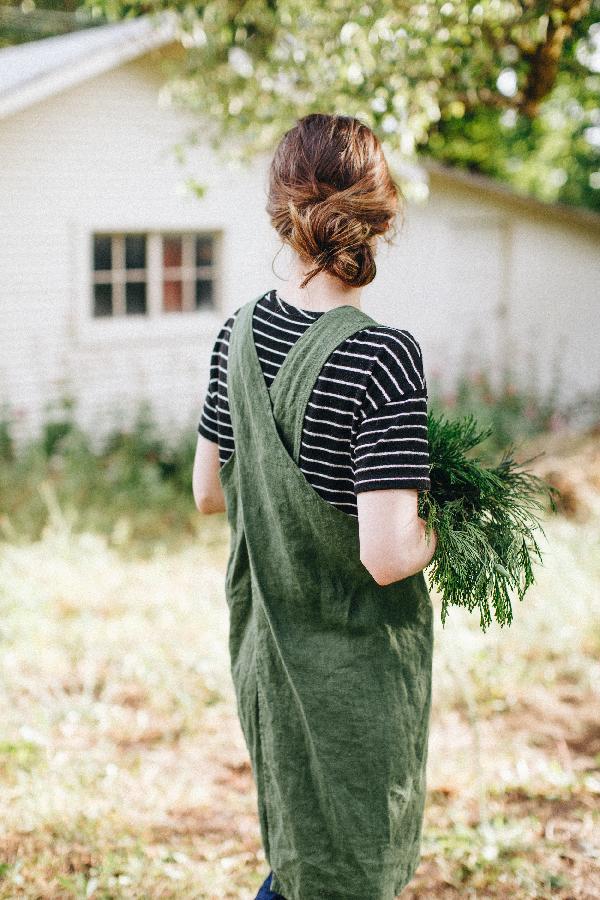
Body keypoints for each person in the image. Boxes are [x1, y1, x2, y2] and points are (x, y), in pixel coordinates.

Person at [193, 113, 438, 900]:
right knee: (354, 870)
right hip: (355, 673)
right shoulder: (382, 355)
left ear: (280, 211)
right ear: (382, 212)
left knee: (302, 852)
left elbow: (206, 493)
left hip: (268, 651)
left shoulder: (236, 335)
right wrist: (452, 521)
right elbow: (388, 552)